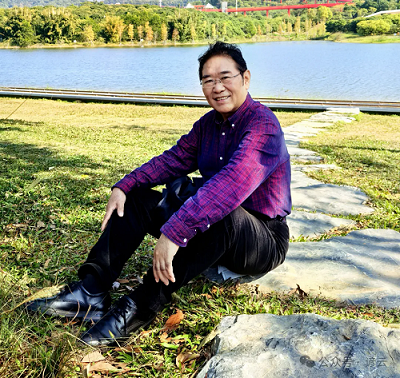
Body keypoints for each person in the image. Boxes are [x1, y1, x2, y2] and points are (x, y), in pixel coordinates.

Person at [27, 41, 291, 346]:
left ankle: (138, 306)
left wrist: (174, 232)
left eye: (225, 77)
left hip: (261, 240)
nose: (217, 87)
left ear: (245, 78)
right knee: (137, 200)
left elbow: (230, 186)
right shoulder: (207, 125)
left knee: (223, 213)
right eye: (208, 80)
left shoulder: (263, 125)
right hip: (213, 226)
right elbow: (173, 160)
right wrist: (124, 185)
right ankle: (91, 292)